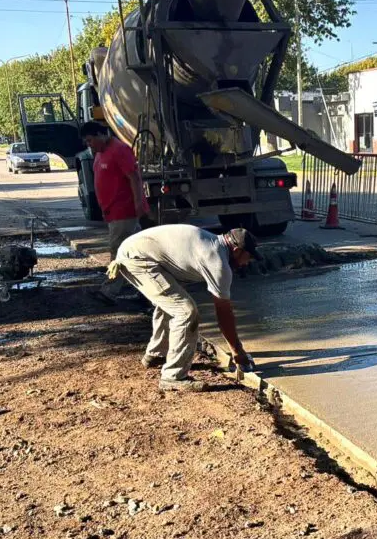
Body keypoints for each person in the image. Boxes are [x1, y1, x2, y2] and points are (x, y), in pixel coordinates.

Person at [109, 225, 261, 392]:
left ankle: (156, 354)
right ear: (237, 249)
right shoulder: (217, 262)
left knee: (171, 303)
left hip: (137, 251)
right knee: (186, 312)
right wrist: (237, 351)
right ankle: (173, 377)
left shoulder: (212, 242)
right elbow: (224, 314)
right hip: (137, 259)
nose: (247, 263)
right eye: (248, 257)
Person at [80, 121, 150, 304]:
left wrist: (137, 203)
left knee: (119, 251)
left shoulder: (119, 150)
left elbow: (133, 177)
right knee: (136, 254)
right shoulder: (100, 153)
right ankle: (147, 291)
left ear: (100, 134)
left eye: (90, 140)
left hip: (124, 210)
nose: (89, 145)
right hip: (113, 211)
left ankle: (110, 290)